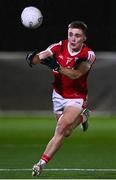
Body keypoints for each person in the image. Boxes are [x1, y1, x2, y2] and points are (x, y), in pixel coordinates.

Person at [26, 20, 96, 177]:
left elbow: (76, 74)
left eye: (77, 36)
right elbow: (41, 57)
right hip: (58, 94)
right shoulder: (58, 46)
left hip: (76, 97)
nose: (73, 38)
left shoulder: (88, 55)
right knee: (67, 131)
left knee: (61, 128)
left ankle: (41, 164)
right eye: (70, 34)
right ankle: (84, 117)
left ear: (84, 38)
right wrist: (33, 58)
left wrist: (56, 67)